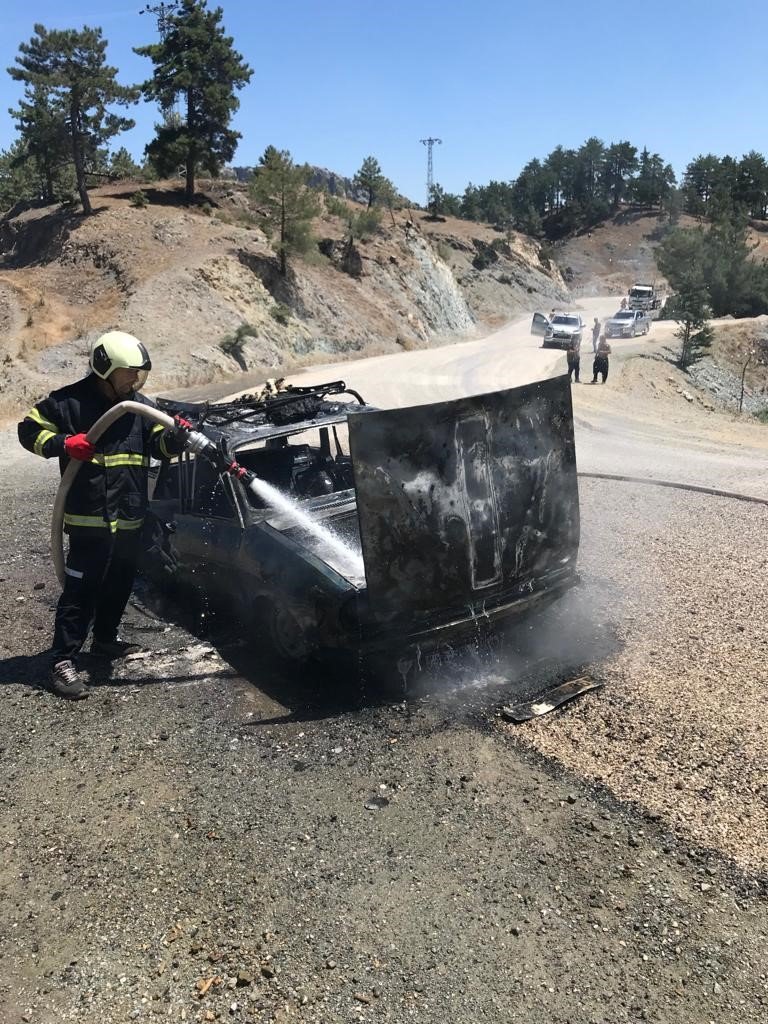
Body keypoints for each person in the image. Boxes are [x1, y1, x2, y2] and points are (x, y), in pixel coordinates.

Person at [18, 331, 190, 700]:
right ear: (104, 368)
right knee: (79, 593)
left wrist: (174, 440)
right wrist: (62, 444)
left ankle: (105, 641)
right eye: (128, 373)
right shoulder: (67, 404)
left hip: (129, 519)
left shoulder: (138, 407)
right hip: (88, 519)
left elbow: (158, 445)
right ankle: (62, 662)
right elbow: (27, 430)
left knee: (119, 584)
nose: (134, 381)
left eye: (138, 374)